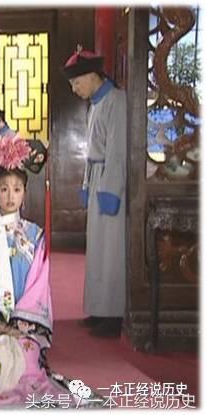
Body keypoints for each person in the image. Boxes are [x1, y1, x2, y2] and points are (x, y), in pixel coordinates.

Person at [0, 135, 100, 409]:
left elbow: (39, 286)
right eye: (4, 189)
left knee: (27, 365)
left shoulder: (35, 236)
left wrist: (18, 325)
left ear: (25, 192)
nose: (10, 196)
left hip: (24, 325)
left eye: (17, 189)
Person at [63, 45, 127, 338]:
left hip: (111, 180)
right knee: (98, 250)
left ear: (91, 76)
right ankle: (99, 308)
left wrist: (110, 190)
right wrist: (87, 185)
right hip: (97, 176)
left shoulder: (116, 101)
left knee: (111, 250)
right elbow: (92, 154)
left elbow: (117, 152)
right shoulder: (95, 104)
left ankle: (115, 313)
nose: (75, 89)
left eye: (76, 82)